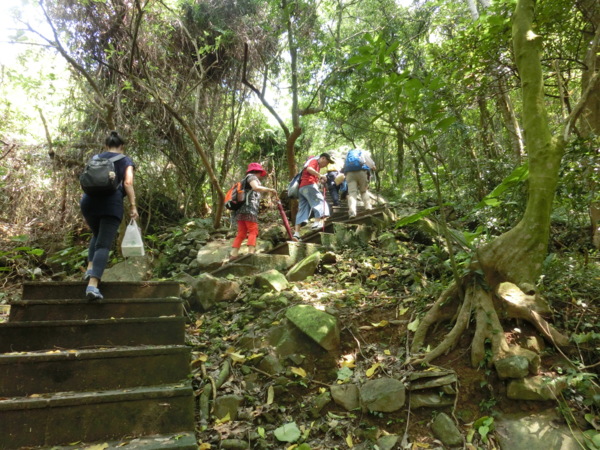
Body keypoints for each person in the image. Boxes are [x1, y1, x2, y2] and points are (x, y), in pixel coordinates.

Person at [80, 131, 138, 300]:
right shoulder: (126, 160)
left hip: (88, 203)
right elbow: (128, 182)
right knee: (103, 245)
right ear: (122, 146)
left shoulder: (95, 158)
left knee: (96, 234)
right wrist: (133, 206)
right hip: (110, 204)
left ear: (106, 146)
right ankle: (92, 286)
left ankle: (90, 269)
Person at [229, 162, 277, 261]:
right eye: (260, 173)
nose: (260, 175)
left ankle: (233, 254)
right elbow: (256, 187)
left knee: (241, 233)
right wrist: (270, 189)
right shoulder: (252, 177)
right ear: (256, 171)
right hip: (249, 210)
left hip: (240, 211)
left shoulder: (244, 180)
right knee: (253, 230)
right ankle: (251, 253)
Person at [293, 153, 334, 240]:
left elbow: (310, 173)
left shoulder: (315, 165)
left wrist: (319, 179)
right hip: (309, 185)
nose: (326, 164)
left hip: (302, 188)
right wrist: (320, 175)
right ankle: (316, 223)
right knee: (320, 202)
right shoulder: (314, 161)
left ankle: (296, 233)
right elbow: (309, 169)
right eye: (327, 162)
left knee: (302, 210)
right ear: (322, 158)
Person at [342, 148, 376, 218]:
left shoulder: (348, 154)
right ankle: (368, 207)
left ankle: (352, 212)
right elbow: (370, 163)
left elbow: (344, 165)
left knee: (352, 193)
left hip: (349, 174)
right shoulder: (361, 152)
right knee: (363, 191)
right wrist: (373, 167)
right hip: (361, 172)